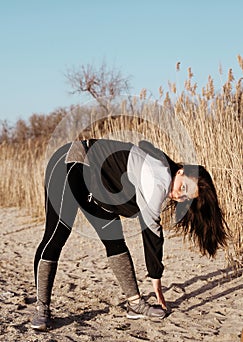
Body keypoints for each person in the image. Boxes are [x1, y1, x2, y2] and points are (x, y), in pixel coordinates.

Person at [31, 139, 228, 331]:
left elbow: (144, 145)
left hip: (98, 185)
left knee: (115, 240)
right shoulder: (160, 178)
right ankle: (42, 308)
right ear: (181, 171)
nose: (179, 196)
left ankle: (135, 304)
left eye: (186, 197)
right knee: (57, 235)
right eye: (183, 188)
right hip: (71, 162)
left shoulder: (164, 169)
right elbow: (151, 230)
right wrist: (156, 280)